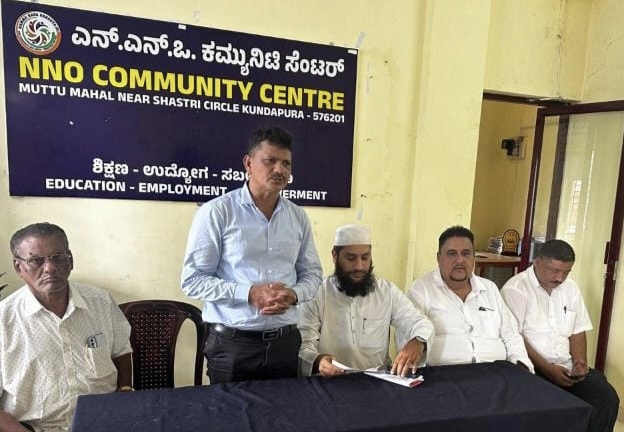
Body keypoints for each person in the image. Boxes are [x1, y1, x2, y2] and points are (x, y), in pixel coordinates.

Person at [181, 126, 323, 384]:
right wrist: (249, 293)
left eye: (286, 163)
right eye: (270, 161)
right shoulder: (217, 212)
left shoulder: (297, 217)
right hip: (233, 346)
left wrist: (294, 294)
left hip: (285, 345)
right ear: (248, 163)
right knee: (229, 411)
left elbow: (312, 274)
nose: (279, 169)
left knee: (285, 410)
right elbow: (193, 280)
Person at [0, 222, 132, 432]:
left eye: (58, 257)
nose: (50, 268)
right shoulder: (4, 320)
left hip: (104, 422)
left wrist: (125, 391)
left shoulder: (100, 302)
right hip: (35, 428)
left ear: (70, 259)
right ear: (19, 267)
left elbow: (121, 351)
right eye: (36, 260)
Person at [501, 239, 619, 432]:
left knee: (606, 397)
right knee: (552, 409)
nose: (560, 278)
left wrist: (579, 362)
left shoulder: (570, 288)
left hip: (566, 368)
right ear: (537, 262)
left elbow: (577, 329)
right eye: (555, 271)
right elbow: (514, 338)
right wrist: (548, 369)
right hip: (532, 370)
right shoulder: (516, 289)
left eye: (566, 272)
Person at [299, 224, 433, 377]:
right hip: (330, 380)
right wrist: (318, 361)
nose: (359, 266)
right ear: (335, 256)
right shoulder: (317, 293)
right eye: (351, 258)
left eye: (365, 257)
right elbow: (304, 344)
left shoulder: (387, 291)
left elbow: (419, 322)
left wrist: (418, 342)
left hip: (377, 380)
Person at [400, 225, 533, 370]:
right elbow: (408, 335)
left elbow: (511, 334)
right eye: (452, 254)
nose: (460, 260)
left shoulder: (490, 289)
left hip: (495, 372)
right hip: (445, 373)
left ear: (474, 257)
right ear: (438, 258)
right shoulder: (422, 289)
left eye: (466, 253)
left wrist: (521, 365)